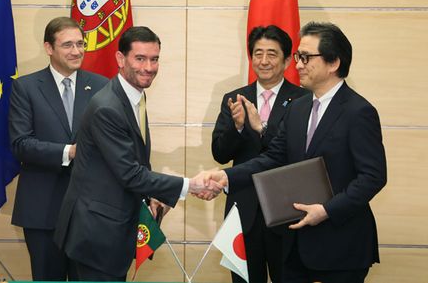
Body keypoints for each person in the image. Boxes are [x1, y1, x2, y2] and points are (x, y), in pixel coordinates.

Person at [201, 22, 387, 283]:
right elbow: (272, 157)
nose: (298, 65)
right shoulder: (298, 108)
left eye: (305, 57)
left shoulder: (358, 111)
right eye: (298, 57)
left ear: (333, 63)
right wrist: (227, 177)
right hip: (296, 245)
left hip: (341, 246)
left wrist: (327, 210)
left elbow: (373, 177)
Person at [53, 26, 221, 282]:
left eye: (154, 59)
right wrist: (191, 185)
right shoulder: (108, 107)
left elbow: (131, 162)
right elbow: (130, 173)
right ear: (121, 59)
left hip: (110, 231)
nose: (148, 67)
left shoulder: (133, 98)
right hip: (97, 236)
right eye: (140, 58)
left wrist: (151, 193)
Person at [8, 16, 109, 281]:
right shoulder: (26, 87)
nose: (76, 51)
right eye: (67, 45)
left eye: (80, 44)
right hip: (42, 210)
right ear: (49, 48)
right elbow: (21, 144)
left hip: (88, 212)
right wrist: (69, 152)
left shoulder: (102, 86)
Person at [212, 25, 309, 283]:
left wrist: (261, 128)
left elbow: (297, 153)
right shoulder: (234, 98)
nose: (263, 61)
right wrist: (239, 126)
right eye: (258, 53)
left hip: (287, 211)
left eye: (272, 54)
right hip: (243, 211)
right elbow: (220, 153)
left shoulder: (304, 100)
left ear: (288, 60)